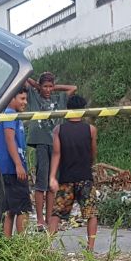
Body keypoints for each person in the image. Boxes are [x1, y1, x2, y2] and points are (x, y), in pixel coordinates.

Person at [24, 73, 78, 231]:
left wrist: (54, 86)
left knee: (52, 184)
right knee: (41, 183)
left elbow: (73, 88)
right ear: (39, 87)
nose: (48, 90)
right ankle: (40, 220)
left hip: (55, 145)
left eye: (50, 86)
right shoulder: (34, 96)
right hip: (41, 143)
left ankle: (48, 218)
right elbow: (25, 79)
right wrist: (36, 85)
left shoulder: (59, 99)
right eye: (45, 86)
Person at [47, 95, 98, 252]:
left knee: (56, 213)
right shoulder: (90, 130)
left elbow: (56, 154)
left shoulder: (59, 130)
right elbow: (93, 153)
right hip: (85, 178)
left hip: (66, 179)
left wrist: (52, 177)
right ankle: (90, 247)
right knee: (91, 213)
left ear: (68, 110)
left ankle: (46, 246)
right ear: (83, 110)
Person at [0, 88, 32, 237]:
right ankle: (21, 246)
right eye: (22, 99)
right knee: (22, 209)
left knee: (10, 210)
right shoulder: (10, 115)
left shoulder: (11, 115)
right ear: (12, 98)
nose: (25, 102)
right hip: (11, 169)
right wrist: (18, 165)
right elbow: (9, 138)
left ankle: (7, 244)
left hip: (7, 168)